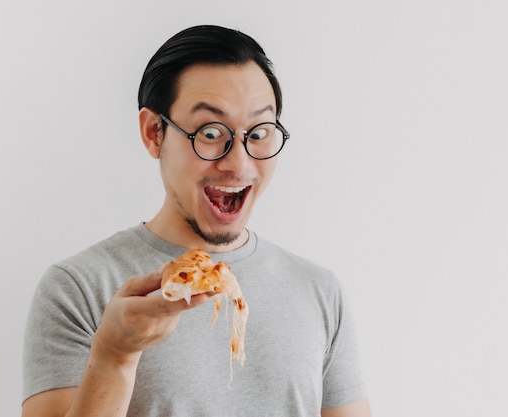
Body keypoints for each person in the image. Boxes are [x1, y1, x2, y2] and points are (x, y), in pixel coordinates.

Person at [22, 24, 371, 417]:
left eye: (258, 133)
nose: (239, 163)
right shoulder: (79, 289)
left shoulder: (319, 291)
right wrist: (114, 358)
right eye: (209, 132)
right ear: (154, 133)